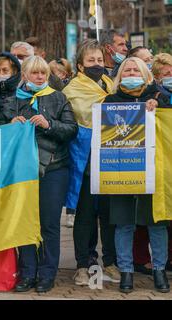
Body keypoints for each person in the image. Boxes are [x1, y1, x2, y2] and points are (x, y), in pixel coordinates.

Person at [103, 57, 170, 294]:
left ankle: (160, 270)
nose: (132, 73)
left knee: (157, 223)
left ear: (147, 74)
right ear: (120, 76)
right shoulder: (110, 101)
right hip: (123, 170)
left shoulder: (161, 96)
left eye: (136, 69)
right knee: (124, 224)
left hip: (154, 171)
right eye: (127, 70)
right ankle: (126, 271)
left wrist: (157, 105)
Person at [14, 56, 77, 293]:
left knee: (49, 224)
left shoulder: (59, 97)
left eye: (43, 73)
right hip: (22, 170)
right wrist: (11, 122)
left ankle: (47, 274)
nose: (40, 77)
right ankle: (27, 273)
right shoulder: (15, 99)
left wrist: (48, 124)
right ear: (25, 75)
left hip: (54, 167)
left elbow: (72, 130)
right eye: (35, 73)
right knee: (26, 224)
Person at [62, 39, 120, 286]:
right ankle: (83, 265)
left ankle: (110, 262)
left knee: (109, 215)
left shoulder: (110, 84)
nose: (96, 64)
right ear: (80, 65)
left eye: (99, 60)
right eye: (91, 61)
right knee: (85, 216)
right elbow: (85, 116)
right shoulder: (73, 89)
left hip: (112, 158)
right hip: (85, 160)